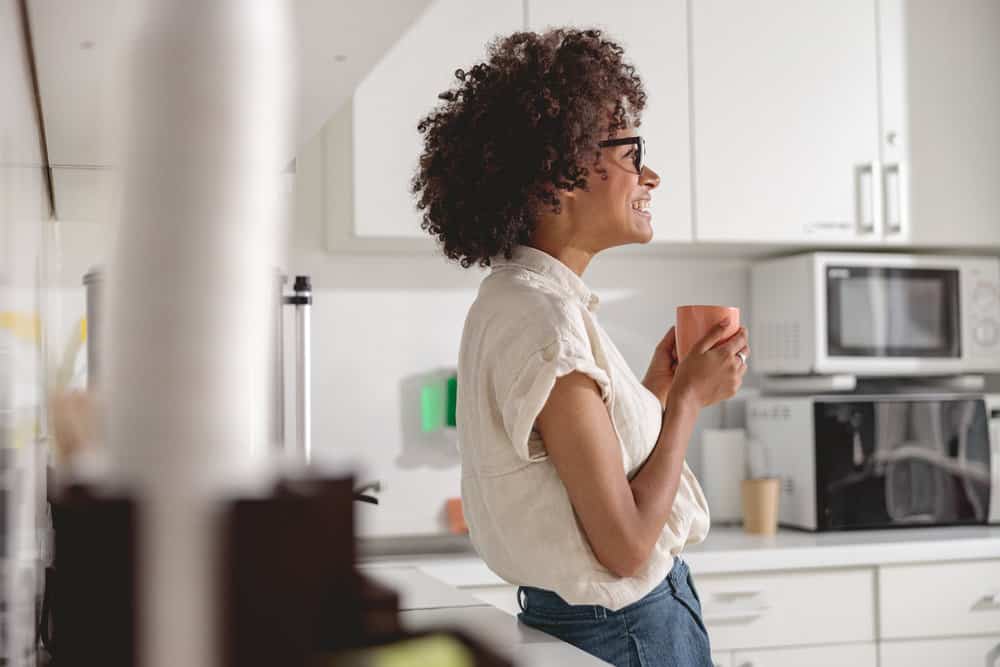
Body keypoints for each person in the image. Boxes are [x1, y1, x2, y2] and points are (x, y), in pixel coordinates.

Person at [412, 28, 749, 667]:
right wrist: (688, 405)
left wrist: (659, 388)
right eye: (629, 151)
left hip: (616, 625)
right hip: (630, 631)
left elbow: (594, 465)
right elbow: (622, 545)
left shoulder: (525, 300)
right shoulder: (545, 321)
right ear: (555, 179)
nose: (649, 173)